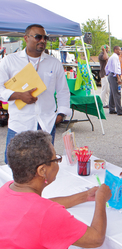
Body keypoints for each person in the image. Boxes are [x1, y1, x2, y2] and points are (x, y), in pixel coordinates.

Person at [0, 130, 112, 249]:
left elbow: (40, 206)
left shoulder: (7, 189)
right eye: (56, 160)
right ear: (42, 171)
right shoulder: (47, 214)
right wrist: (101, 200)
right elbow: (96, 238)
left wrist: (84, 196)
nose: (58, 163)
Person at [0, 24, 71, 163]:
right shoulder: (9, 61)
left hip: (46, 124)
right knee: (14, 166)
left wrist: (61, 114)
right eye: (38, 37)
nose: (42, 40)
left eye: (45, 37)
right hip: (20, 124)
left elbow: (63, 91)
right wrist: (19, 95)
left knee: (43, 166)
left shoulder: (54, 63)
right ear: (26, 38)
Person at [105, 46, 122, 116]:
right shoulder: (115, 57)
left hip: (111, 75)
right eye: (119, 50)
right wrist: (118, 78)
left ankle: (112, 108)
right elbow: (115, 68)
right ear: (115, 50)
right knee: (117, 93)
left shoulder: (112, 57)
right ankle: (120, 110)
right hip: (115, 76)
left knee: (112, 93)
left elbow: (106, 67)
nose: (120, 51)